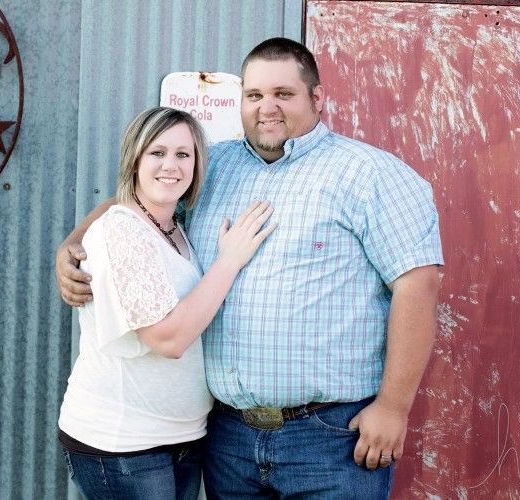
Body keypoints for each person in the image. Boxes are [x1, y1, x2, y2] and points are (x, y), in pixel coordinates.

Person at [56, 38, 443, 499]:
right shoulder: (213, 165)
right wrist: (73, 243)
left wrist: (394, 407)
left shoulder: (370, 175)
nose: (267, 108)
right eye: (254, 96)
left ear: (317, 98)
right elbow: (135, 205)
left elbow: (418, 286)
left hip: (329, 437)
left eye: (284, 94)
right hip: (228, 437)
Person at [57, 106, 276, 500]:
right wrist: (230, 261)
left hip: (182, 439)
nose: (170, 166)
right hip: (125, 445)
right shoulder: (121, 230)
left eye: (183, 154)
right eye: (156, 153)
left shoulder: (173, 225)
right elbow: (168, 339)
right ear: (134, 159)